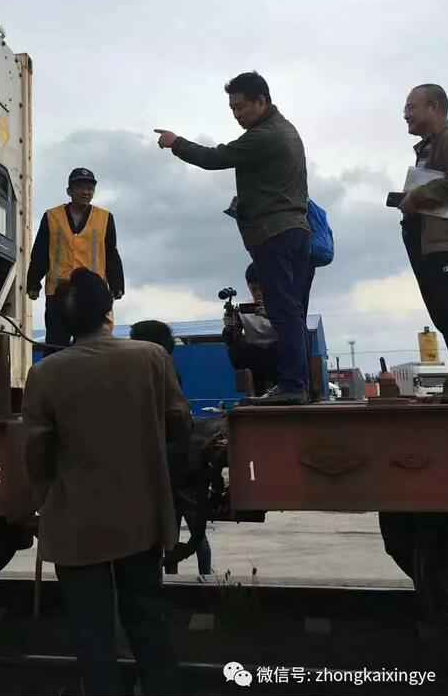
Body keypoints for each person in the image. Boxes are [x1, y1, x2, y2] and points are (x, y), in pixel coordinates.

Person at [23, 269, 190, 695]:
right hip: (142, 516)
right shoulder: (152, 358)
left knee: (91, 632)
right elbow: (179, 424)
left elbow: (37, 453)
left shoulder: (45, 374)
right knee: (148, 619)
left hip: (76, 524)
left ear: (64, 320)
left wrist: (44, 499)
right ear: (109, 313)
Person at [155, 71, 310, 404]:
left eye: (240, 107)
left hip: (275, 233)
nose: (236, 115)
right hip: (290, 230)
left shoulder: (265, 136)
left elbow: (215, 158)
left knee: (283, 311)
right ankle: (293, 382)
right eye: (232, 109)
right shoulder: (282, 130)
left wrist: (175, 143)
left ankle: (292, 385)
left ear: (261, 101)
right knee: (289, 310)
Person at [129, 320, 212, 578]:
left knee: (178, 530)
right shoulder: (163, 365)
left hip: (172, 462)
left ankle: (179, 579)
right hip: (179, 461)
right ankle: (199, 578)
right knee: (189, 529)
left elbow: (175, 416)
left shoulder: (156, 367)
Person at [26, 168, 124, 350]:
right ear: (69, 191)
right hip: (59, 291)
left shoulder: (105, 218)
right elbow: (40, 252)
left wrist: (117, 285)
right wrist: (33, 283)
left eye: (90, 188)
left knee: (94, 345)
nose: (86, 192)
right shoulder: (51, 216)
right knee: (56, 345)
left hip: (92, 292)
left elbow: (111, 253)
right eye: (80, 187)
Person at [399, 84, 448, 367]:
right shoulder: (428, 148)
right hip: (430, 248)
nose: (405, 114)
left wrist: (416, 197)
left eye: (411, 107)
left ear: (434, 107)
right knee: (445, 317)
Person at [222, 263, 279, 397]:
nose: (258, 293)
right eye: (254, 289)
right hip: (255, 359)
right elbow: (231, 340)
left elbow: (294, 332)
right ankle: (255, 389)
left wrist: (272, 316)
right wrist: (230, 326)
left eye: (262, 289)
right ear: (248, 287)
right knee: (234, 346)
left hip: (279, 357)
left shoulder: (282, 305)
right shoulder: (243, 309)